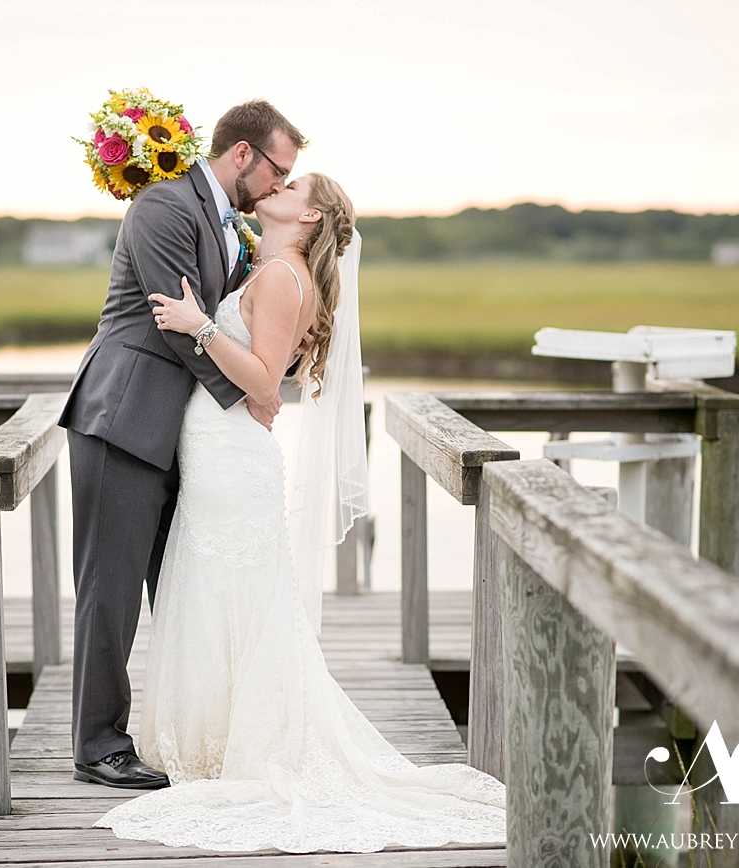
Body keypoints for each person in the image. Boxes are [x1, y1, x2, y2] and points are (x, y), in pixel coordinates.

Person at [95, 173, 507, 852]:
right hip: (216, 449)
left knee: (227, 590)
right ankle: (213, 736)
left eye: (291, 184)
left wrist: (200, 326)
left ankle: (233, 743)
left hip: (231, 456)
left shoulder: (285, 276)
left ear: (309, 213)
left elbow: (263, 380)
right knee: (212, 591)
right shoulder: (270, 264)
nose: (275, 185)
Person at [58, 99, 308, 789]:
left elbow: (227, 322)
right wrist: (252, 395)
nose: (281, 187)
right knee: (110, 589)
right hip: (125, 417)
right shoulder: (164, 206)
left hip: (184, 436)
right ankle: (98, 745)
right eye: (278, 171)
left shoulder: (235, 229)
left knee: (183, 590)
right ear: (242, 155)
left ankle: (189, 734)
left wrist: (272, 367)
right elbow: (177, 321)